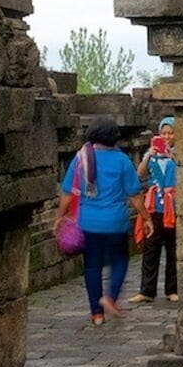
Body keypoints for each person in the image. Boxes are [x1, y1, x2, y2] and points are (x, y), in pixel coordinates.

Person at [63, 122, 140, 323]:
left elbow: (68, 192)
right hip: (116, 221)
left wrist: (58, 217)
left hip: (88, 221)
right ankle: (111, 297)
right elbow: (134, 194)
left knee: (92, 266)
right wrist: (146, 217)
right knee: (120, 260)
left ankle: (96, 313)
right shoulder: (123, 160)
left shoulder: (81, 159)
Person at [137, 120, 180, 302]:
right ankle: (147, 290)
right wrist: (148, 156)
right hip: (154, 207)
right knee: (151, 248)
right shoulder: (152, 155)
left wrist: (173, 158)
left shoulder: (178, 154)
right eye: (163, 133)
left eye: (170, 133)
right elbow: (139, 174)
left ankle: (172, 289)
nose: (166, 137)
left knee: (173, 250)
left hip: (172, 206)